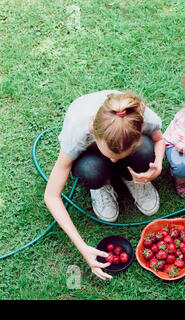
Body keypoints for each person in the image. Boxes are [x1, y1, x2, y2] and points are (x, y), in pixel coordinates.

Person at [44, 90, 165, 280]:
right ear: (93, 128)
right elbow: (51, 196)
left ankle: (131, 177)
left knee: (146, 150)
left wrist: (157, 166)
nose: (114, 161)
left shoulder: (139, 117)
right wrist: (83, 247)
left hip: (120, 138)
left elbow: (159, 139)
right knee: (90, 170)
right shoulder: (78, 130)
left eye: (119, 158)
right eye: (111, 156)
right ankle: (100, 183)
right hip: (90, 155)